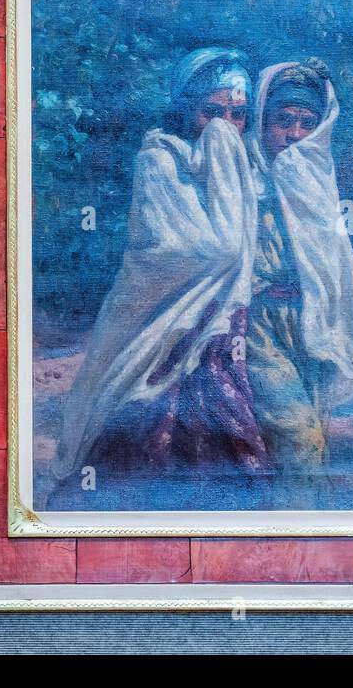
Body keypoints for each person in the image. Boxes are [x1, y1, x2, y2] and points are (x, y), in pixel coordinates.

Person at [49, 47, 267, 503]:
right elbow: (208, 249)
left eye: (238, 115)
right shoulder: (161, 160)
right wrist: (226, 158)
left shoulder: (247, 170)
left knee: (227, 447)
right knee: (150, 438)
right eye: (213, 112)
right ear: (187, 110)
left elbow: (249, 255)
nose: (226, 127)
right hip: (163, 329)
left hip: (223, 331)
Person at [242, 59, 353, 508]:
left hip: (309, 323)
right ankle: (293, 537)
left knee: (315, 435)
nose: (294, 134)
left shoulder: (317, 181)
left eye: (306, 123)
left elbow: (331, 264)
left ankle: (308, 539)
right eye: (283, 121)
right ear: (263, 120)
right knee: (298, 436)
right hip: (257, 326)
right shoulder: (239, 174)